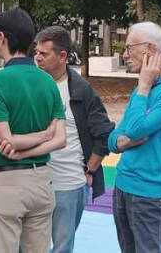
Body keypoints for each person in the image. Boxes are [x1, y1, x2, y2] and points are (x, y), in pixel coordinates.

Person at [0, 8, 67, 253]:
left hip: (8, 181)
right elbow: (59, 138)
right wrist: (43, 136)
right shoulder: (47, 80)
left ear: (2, 37)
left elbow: (6, 140)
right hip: (41, 179)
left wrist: (21, 148)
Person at [108, 22, 161, 253]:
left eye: (128, 48)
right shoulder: (141, 91)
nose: (125, 55)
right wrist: (121, 141)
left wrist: (143, 86)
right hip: (124, 185)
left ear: (150, 50)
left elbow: (133, 131)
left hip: (150, 194)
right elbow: (114, 139)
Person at [34, 26, 115, 253]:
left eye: (44, 54)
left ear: (62, 57)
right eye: (36, 52)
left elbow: (103, 134)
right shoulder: (32, 84)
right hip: (34, 181)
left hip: (68, 183)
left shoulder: (80, 90)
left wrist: (89, 171)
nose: (37, 58)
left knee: (62, 245)